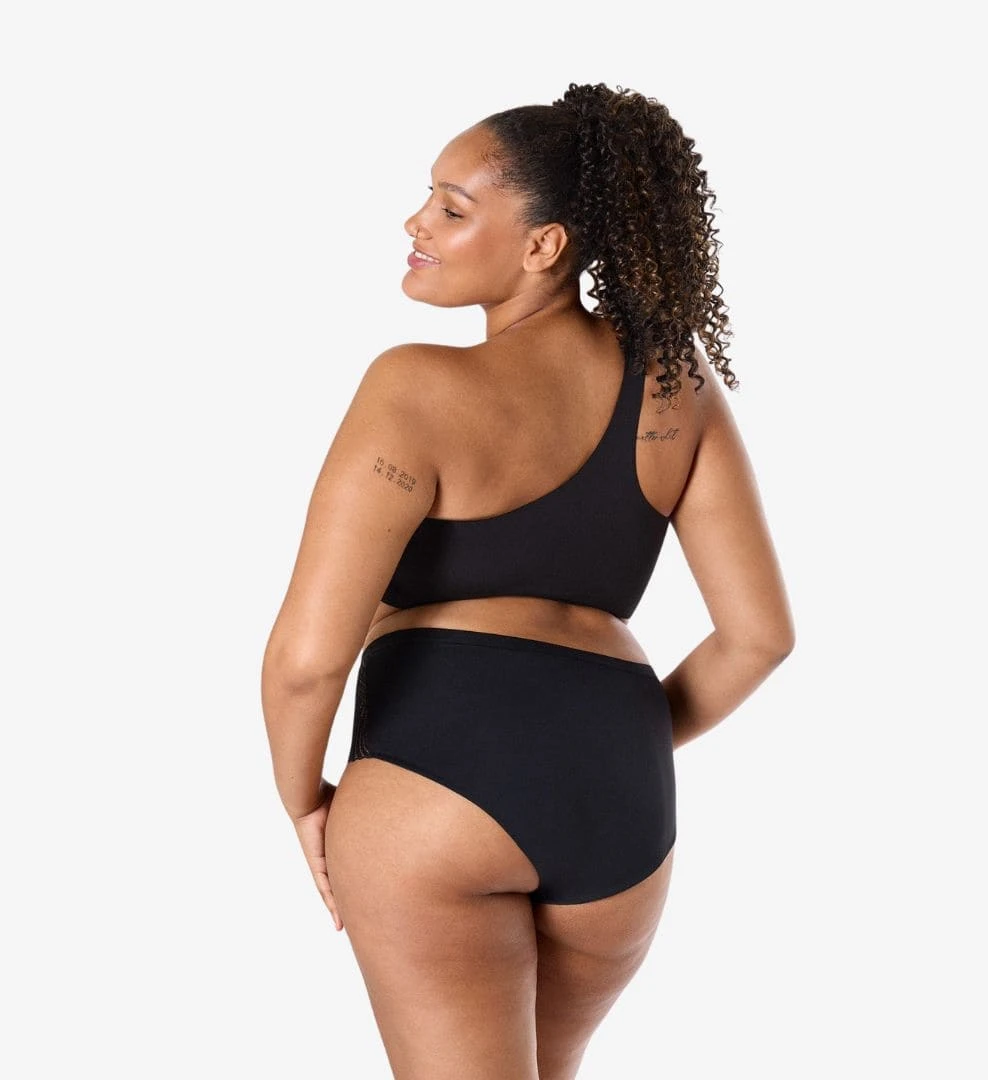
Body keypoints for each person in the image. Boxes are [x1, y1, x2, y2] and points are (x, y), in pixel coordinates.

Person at [261, 81, 795, 1080]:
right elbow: (759, 637)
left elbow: (307, 659)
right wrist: (594, 741)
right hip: (621, 799)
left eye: (452, 208)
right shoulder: (673, 382)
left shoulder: (414, 386)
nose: (416, 223)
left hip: (438, 773)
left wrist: (303, 799)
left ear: (544, 244)